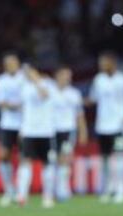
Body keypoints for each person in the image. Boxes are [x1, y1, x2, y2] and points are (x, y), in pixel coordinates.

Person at [89, 52, 123, 204]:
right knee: (104, 159)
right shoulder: (99, 80)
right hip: (102, 125)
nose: (101, 66)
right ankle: (106, 190)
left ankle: (121, 191)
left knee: (119, 156)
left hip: (119, 125)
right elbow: (93, 99)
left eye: (104, 62)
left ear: (112, 63)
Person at [16, 67, 57, 208]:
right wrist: (22, 128)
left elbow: (45, 95)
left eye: (30, 72)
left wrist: (36, 81)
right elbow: (24, 109)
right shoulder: (24, 87)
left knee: (47, 163)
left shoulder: (48, 84)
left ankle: (47, 197)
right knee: (25, 162)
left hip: (46, 131)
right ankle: (22, 196)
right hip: (29, 131)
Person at [52, 66, 88, 201]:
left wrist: (83, 131)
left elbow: (79, 115)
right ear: (57, 76)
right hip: (51, 130)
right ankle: (54, 189)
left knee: (65, 159)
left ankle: (63, 190)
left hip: (68, 130)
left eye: (69, 76)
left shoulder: (74, 94)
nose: (67, 79)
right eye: (65, 75)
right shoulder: (49, 91)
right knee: (53, 160)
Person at [0, 52, 24, 207]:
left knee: (24, 157)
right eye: (8, 63)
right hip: (7, 124)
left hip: (25, 124)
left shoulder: (24, 78)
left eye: (13, 62)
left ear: (18, 63)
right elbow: (0, 102)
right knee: (3, 156)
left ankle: (21, 190)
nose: (11, 65)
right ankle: (8, 190)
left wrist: (12, 104)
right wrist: (15, 105)